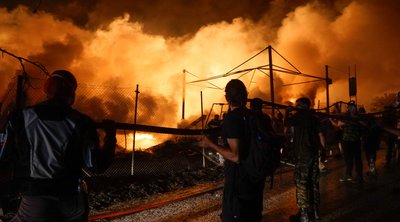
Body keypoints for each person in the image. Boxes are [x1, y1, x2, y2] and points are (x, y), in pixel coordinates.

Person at [0, 70, 117, 221]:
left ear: (46, 89)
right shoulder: (81, 122)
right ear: (72, 93)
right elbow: (96, 165)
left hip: (36, 200)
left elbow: (3, 158)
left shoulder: (19, 118)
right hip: (72, 200)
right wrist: (110, 136)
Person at [200, 79, 265, 221]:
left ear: (227, 98)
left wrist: (211, 144)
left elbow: (236, 156)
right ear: (246, 96)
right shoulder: (255, 116)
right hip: (256, 179)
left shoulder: (232, 119)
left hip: (239, 185)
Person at [288, 98, 325, 222]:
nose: (297, 106)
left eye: (299, 104)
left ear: (304, 105)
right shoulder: (314, 119)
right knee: (313, 183)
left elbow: (287, 128)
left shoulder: (297, 117)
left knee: (302, 183)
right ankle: (315, 212)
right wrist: (323, 151)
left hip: (302, 156)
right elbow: (321, 135)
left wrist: (288, 113)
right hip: (313, 155)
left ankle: (304, 214)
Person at [330, 102, 363, 185]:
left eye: (353, 107)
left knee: (357, 159)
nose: (351, 109)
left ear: (355, 108)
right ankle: (348, 175)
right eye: (349, 107)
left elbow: (362, 124)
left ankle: (359, 176)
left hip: (355, 141)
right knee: (348, 159)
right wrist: (332, 118)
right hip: (346, 141)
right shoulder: (346, 117)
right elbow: (338, 124)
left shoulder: (359, 117)